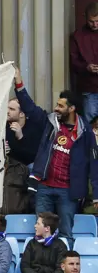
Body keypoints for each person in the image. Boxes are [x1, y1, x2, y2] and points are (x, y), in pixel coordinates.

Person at [27, 89, 98, 240]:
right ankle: (42, 264)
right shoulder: (51, 123)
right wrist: (19, 85)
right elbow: (30, 109)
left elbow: (94, 165)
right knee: (40, 233)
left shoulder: (85, 132)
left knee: (66, 233)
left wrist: (96, 196)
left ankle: (64, 263)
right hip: (44, 188)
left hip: (67, 192)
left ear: (71, 109)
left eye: (60, 106)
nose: (56, 108)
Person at [70, 2, 98, 123]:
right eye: (91, 21)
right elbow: (74, 61)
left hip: (89, 87)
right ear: (85, 18)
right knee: (90, 124)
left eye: (97, 21)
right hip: (89, 87)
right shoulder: (78, 36)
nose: (95, 24)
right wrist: (86, 67)